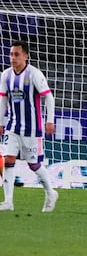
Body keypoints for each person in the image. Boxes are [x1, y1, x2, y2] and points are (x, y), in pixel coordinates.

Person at [0, 40, 58, 212]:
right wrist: (1, 122)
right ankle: (8, 201)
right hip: (13, 126)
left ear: (26, 56)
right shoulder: (6, 75)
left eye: (16, 54)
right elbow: (3, 99)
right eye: (11, 54)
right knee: (8, 159)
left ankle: (50, 192)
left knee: (34, 165)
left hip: (32, 129)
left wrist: (50, 120)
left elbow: (49, 97)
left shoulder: (34, 74)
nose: (13, 58)